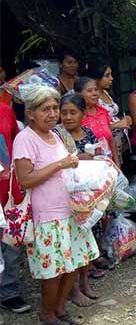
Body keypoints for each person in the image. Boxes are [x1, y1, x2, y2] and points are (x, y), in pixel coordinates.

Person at [12, 84, 98, 324]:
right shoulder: (25, 139)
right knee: (52, 271)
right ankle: (47, 313)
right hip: (46, 215)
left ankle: (59, 309)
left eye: (54, 108)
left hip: (69, 210)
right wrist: (60, 165)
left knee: (72, 264)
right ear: (30, 113)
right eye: (44, 109)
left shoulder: (56, 135)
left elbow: (66, 167)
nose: (52, 114)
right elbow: (25, 179)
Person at [54, 94, 102, 307]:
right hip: (65, 195)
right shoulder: (57, 135)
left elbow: (98, 155)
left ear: (83, 114)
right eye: (63, 112)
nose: (67, 116)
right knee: (70, 244)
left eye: (73, 112)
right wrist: (78, 159)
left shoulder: (88, 133)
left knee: (85, 240)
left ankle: (84, 282)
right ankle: (72, 289)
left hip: (86, 194)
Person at [0, 102, 31, 314]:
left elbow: (13, 142)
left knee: (11, 243)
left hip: (8, 189)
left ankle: (9, 291)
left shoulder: (5, 110)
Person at [86, 63, 132, 163]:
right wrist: (116, 125)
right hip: (105, 145)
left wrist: (124, 120)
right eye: (107, 75)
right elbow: (93, 127)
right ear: (96, 78)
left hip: (117, 142)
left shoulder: (105, 92)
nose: (111, 78)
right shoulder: (92, 99)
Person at [74, 77, 120, 166]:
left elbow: (111, 139)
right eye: (90, 91)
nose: (95, 93)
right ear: (78, 94)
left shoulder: (103, 112)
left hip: (107, 163)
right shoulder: (76, 116)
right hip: (87, 166)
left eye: (96, 90)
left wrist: (117, 163)